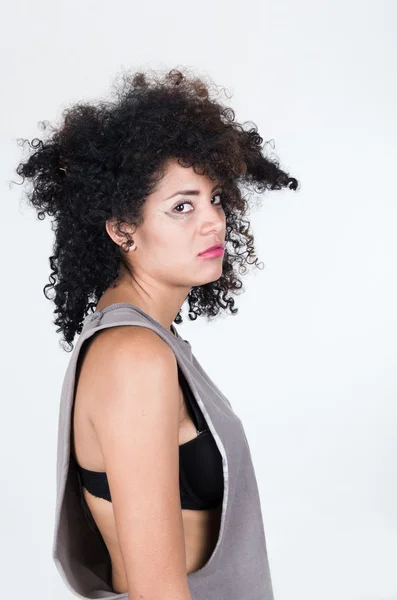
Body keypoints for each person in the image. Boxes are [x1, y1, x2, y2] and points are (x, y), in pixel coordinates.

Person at [15, 66, 299, 600]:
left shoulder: (146, 343)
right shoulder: (133, 356)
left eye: (214, 198)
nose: (214, 221)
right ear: (123, 229)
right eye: (182, 206)